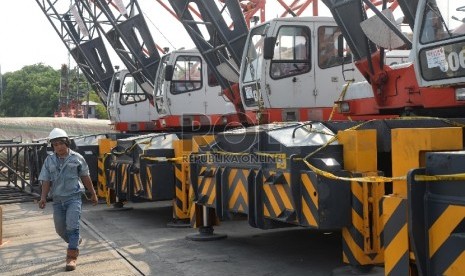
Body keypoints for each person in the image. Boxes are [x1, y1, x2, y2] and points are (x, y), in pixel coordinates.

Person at [38, 128, 98, 271]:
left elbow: (85, 176)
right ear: (52, 146)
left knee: (72, 226)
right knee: (60, 229)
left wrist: (93, 193)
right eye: (55, 144)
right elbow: (46, 180)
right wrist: (43, 197)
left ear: (67, 143)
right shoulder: (49, 160)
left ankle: (71, 257)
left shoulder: (77, 158)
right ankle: (75, 241)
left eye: (61, 143)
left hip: (74, 198)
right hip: (58, 200)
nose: (59, 147)